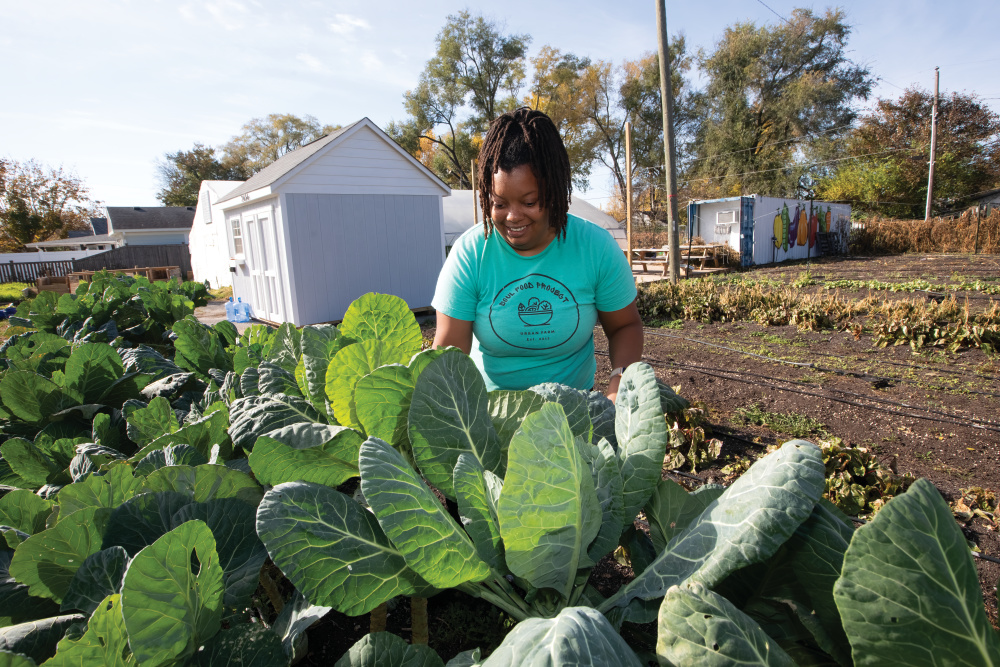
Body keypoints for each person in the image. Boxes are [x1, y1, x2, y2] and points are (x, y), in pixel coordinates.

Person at [432, 107, 642, 400]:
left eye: (530, 202)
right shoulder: (471, 254)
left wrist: (619, 383)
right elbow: (449, 352)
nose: (513, 217)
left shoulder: (595, 248)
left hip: (574, 413)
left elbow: (625, 326)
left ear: (554, 192)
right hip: (492, 421)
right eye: (499, 203)